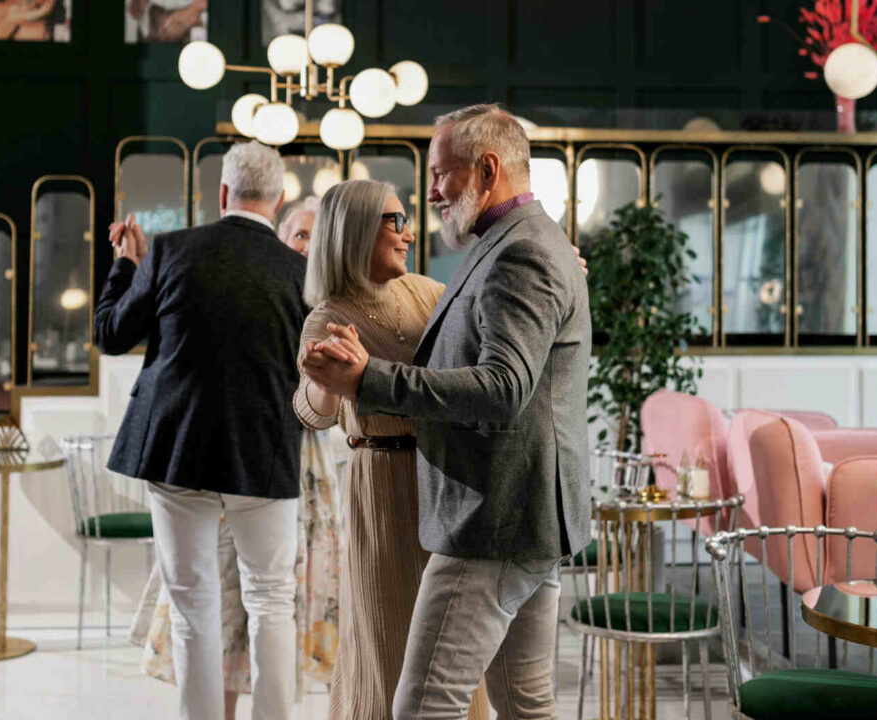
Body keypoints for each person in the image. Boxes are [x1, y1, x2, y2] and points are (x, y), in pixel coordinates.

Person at [302, 104, 592, 720]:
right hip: (521, 516)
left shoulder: (522, 253)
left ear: (488, 170)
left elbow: (503, 387)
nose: (431, 194)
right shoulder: (524, 243)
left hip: (491, 518)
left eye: (442, 175)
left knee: (426, 705)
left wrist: (367, 378)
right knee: (524, 702)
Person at [95, 140, 307, 720]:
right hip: (265, 453)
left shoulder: (170, 251)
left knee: (193, 605)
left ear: (222, 194)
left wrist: (125, 265)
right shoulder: (302, 273)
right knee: (272, 600)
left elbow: (111, 333)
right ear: (279, 198)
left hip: (177, 449)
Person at [292, 180, 490, 720]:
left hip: (444, 482)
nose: (407, 234)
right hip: (381, 485)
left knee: (453, 644)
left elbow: (486, 327)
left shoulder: (426, 292)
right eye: (395, 221)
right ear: (357, 231)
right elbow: (313, 412)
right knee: (387, 637)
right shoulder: (326, 317)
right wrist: (330, 380)